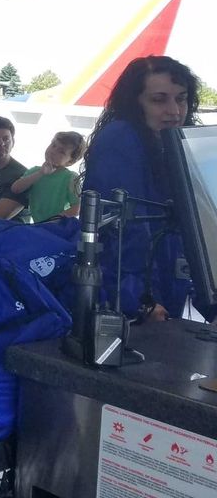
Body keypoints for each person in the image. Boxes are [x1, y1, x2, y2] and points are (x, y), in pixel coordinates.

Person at [83, 56, 199, 320]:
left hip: (166, 292)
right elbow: (123, 231)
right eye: (159, 100)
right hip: (133, 305)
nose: (175, 111)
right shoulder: (120, 139)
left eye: (181, 98)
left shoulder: (173, 145)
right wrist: (141, 300)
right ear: (134, 103)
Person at [9, 131, 85, 223]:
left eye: (61, 151)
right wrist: (40, 173)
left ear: (70, 161)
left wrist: (54, 221)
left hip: (57, 226)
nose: (53, 151)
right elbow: (15, 189)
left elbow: (77, 207)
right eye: (53, 145)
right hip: (37, 224)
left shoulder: (70, 178)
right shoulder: (34, 171)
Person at [0, 116, 30, 222]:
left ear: (13, 142)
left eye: (6, 138)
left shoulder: (22, 176)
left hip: (8, 234)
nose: (1, 143)